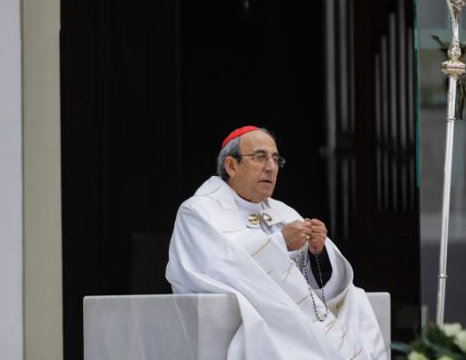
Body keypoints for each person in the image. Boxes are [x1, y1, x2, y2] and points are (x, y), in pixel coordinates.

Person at [166, 126, 388, 360]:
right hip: (250, 315)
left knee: (356, 297)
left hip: (291, 317)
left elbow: (319, 286)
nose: (271, 167)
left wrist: (317, 253)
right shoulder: (198, 211)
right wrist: (280, 242)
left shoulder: (283, 212)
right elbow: (214, 268)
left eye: (275, 159)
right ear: (231, 166)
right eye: (260, 157)